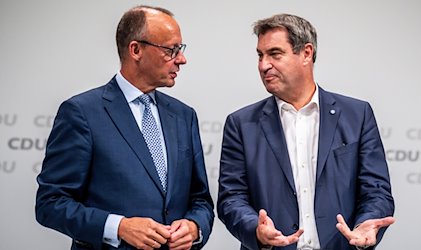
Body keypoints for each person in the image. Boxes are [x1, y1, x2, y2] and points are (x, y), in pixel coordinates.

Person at [35, 5, 214, 250]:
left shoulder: (184, 116)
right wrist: (118, 227)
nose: (181, 59)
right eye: (171, 50)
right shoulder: (82, 113)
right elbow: (50, 203)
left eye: (180, 49)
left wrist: (194, 228)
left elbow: (201, 200)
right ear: (136, 50)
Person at [217, 13, 395, 250]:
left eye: (275, 54)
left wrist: (366, 224)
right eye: (260, 55)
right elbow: (231, 198)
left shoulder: (357, 115)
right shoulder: (241, 124)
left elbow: (376, 190)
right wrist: (256, 230)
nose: (263, 65)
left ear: (306, 53)